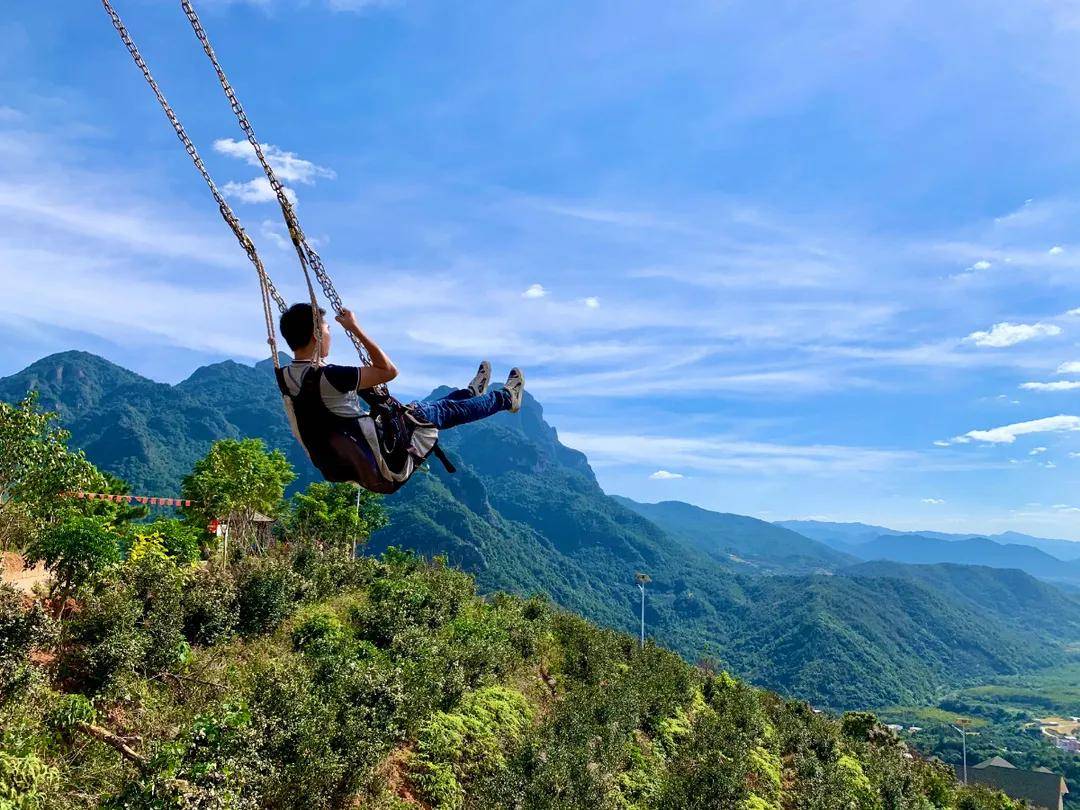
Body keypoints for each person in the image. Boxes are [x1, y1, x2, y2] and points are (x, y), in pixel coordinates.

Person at [275, 303, 524, 489]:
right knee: (437, 413)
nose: (331, 333)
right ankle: (506, 397)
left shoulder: (285, 377)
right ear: (317, 334)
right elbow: (388, 371)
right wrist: (355, 328)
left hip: (358, 461)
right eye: (328, 328)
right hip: (385, 457)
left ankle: (470, 394)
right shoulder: (330, 377)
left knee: (426, 409)